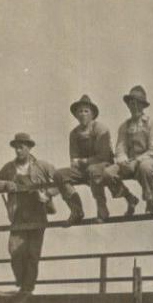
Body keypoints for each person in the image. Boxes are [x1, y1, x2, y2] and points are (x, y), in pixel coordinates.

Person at [53, 95, 138, 224]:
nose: (82, 114)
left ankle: (102, 209)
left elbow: (103, 156)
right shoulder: (74, 134)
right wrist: (79, 164)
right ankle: (76, 210)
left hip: (103, 164)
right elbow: (74, 159)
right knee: (59, 175)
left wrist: (84, 162)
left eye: (86, 111)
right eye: (80, 111)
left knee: (94, 171)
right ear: (76, 115)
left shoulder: (100, 129)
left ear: (92, 114)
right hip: (84, 168)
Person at [0, 132, 58, 293]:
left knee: (32, 253)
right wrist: (6, 184)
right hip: (18, 215)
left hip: (37, 214)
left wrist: (48, 193)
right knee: (15, 250)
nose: (18, 151)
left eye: (21, 148)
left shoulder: (42, 165)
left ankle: (27, 288)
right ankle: (22, 282)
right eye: (16, 148)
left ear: (29, 148)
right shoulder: (9, 167)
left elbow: (60, 181)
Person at [104, 85, 153, 214]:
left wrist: (137, 160)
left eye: (137, 103)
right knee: (108, 173)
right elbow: (120, 147)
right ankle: (129, 198)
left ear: (142, 105)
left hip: (149, 160)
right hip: (130, 162)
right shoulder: (124, 126)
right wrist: (123, 160)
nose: (133, 106)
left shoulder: (150, 123)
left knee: (145, 168)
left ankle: (149, 200)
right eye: (131, 103)